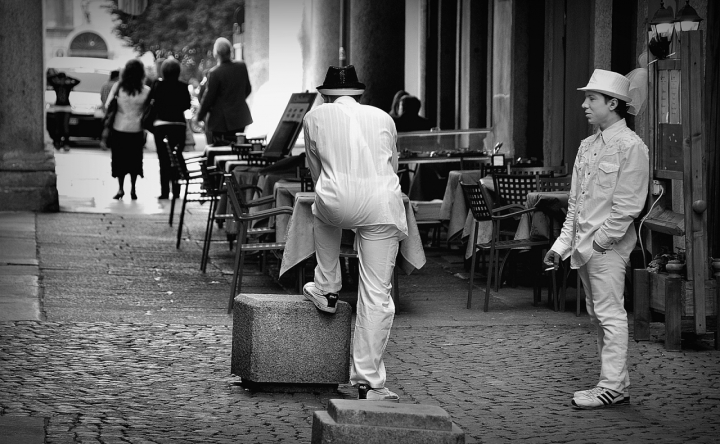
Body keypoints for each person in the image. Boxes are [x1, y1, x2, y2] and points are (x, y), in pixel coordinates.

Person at [543, 69, 649, 409]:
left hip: (606, 248)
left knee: (610, 315)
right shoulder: (587, 146)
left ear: (613, 103)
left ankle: (613, 385)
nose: (585, 105)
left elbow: (628, 206)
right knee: (598, 315)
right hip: (585, 248)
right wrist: (561, 246)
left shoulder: (632, 147)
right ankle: (613, 383)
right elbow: (576, 204)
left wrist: (602, 243)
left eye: (592, 98)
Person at [302, 65, 408, 402]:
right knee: (377, 292)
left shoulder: (314, 117)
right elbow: (392, 166)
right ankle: (368, 384)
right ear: (359, 94)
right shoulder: (384, 118)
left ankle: (327, 287)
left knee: (321, 209)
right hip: (382, 202)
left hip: (337, 198)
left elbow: (315, 170)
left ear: (325, 94)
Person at [104, 59, 151, 200]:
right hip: (137, 129)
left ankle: (120, 188)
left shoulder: (118, 88)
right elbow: (147, 110)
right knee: (134, 160)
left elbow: (108, 105)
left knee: (120, 159)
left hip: (119, 127)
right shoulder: (146, 91)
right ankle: (133, 189)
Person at [196, 38, 252, 145]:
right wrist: (236, 101)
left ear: (216, 54)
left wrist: (199, 116)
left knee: (220, 150)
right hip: (240, 119)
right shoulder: (241, 66)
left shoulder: (215, 73)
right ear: (230, 51)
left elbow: (208, 99)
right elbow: (248, 89)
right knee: (238, 149)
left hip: (220, 123)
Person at [149, 58, 191, 200]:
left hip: (161, 126)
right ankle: (177, 190)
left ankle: (164, 191)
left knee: (163, 159)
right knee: (176, 157)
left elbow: (151, 103)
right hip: (178, 126)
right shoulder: (183, 87)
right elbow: (186, 105)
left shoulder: (157, 85)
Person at [47, 69, 81, 151]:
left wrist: (69, 77)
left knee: (65, 126)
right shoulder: (56, 85)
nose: (62, 80)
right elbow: (48, 79)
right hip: (58, 107)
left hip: (66, 108)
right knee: (58, 126)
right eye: (60, 79)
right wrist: (55, 76)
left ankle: (66, 143)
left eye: (63, 79)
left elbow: (77, 81)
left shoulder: (67, 86)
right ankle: (57, 142)